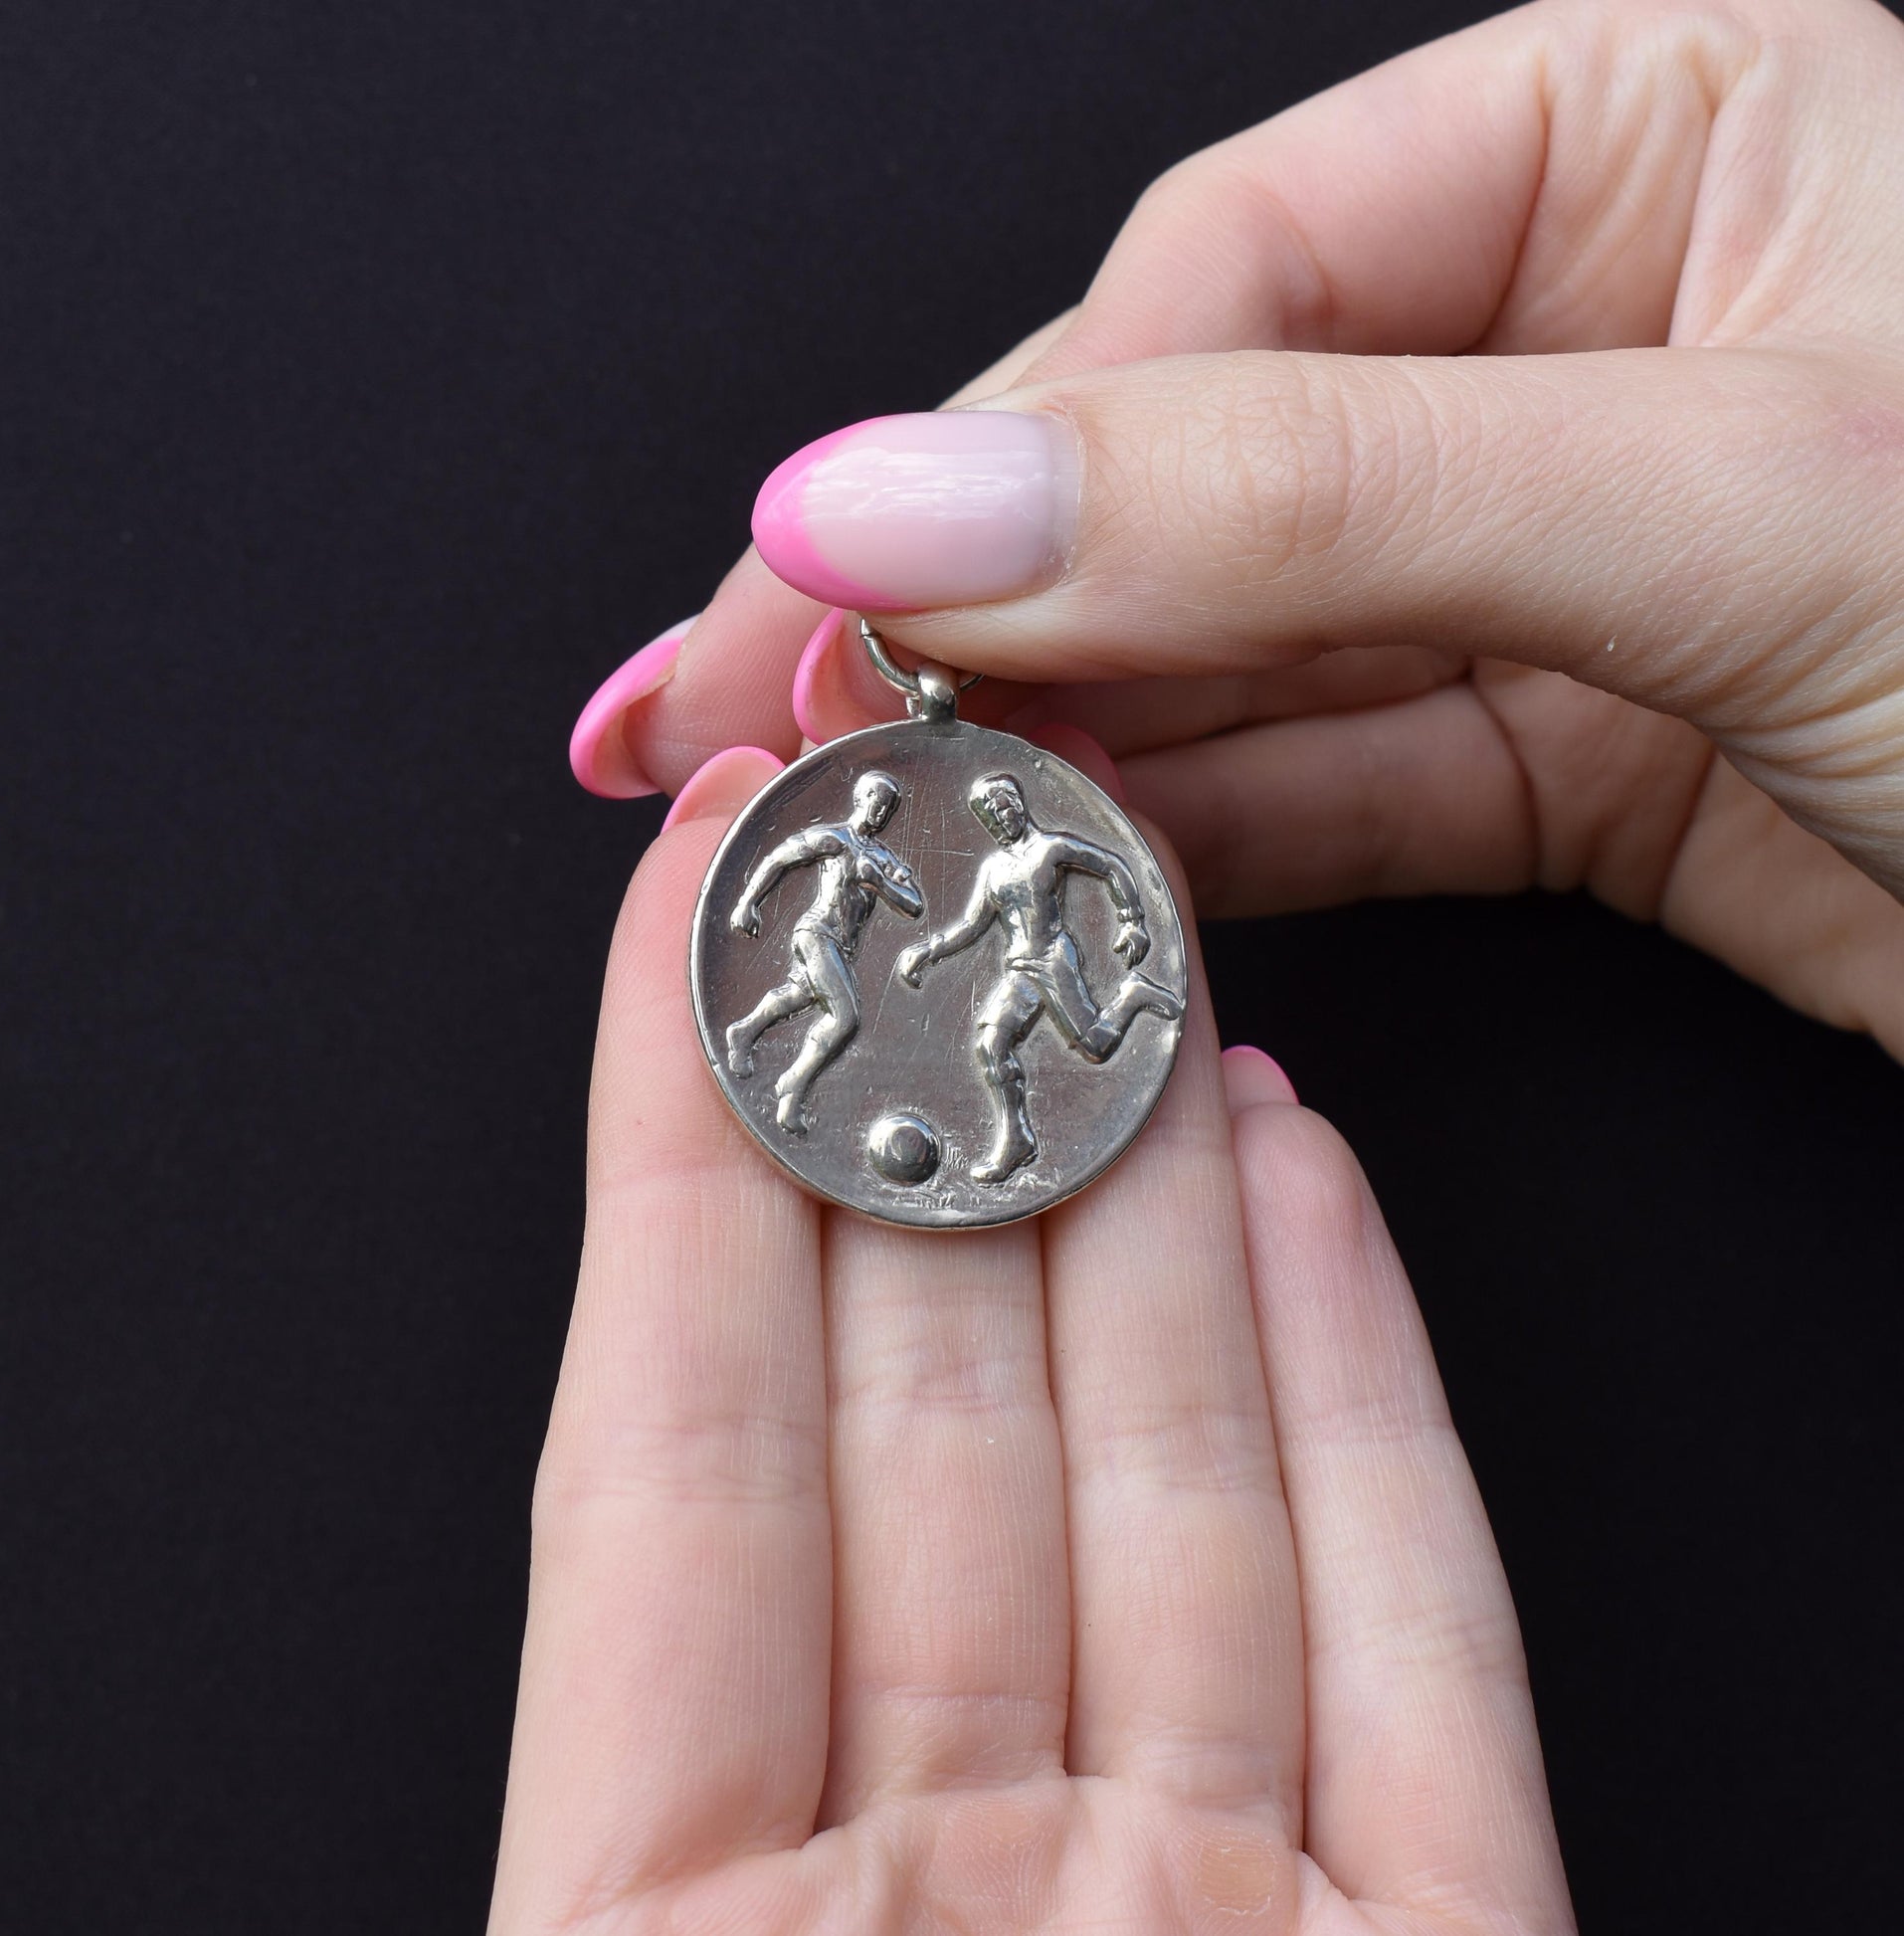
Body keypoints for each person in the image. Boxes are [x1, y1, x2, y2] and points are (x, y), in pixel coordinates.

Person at [498, 1, 1904, 1928]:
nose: (990, 835)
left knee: (969, 1057)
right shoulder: (889, 868)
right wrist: (964, 926)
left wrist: (1044, 958)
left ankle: (978, 1078)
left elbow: (990, 931)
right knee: (903, 1044)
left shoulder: (977, 882)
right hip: (930, 996)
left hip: (972, 1002)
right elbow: (914, 903)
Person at [896, 772, 1181, 1182]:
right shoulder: (994, 869)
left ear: (1018, 802)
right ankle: (1016, 1139)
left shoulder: (1051, 849)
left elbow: (1113, 865)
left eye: (1000, 806)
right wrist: (929, 950)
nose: (996, 818)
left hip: (1053, 959)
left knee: (1095, 1047)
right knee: (991, 1044)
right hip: (1020, 968)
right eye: (987, 816)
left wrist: (1132, 920)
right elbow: (973, 925)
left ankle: (1133, 994)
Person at [722, 769, 924, 1132]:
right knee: (845, 1018)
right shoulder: (836, 839)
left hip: (842, 947)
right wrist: (748, 902)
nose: (881, 812)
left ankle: (744, 1031)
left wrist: (879, 883)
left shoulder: (883, 858)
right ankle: (793, 1088)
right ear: (860, 800)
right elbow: (780, 857)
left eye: (889, 807)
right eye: (876, 801)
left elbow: (914, 905)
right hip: (816, 933)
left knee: (796, 997)